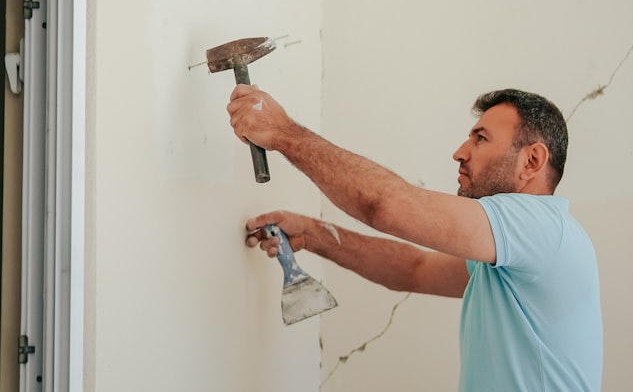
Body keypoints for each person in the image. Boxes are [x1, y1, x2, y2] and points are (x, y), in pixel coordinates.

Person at [227, 87, 603, 392]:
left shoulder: (542, 227)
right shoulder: (516, 256)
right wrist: (316, 234)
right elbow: (414, 269)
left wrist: (283, 133)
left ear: (532, 161)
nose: (460, 152)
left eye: (481, 138)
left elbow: (385, 205)